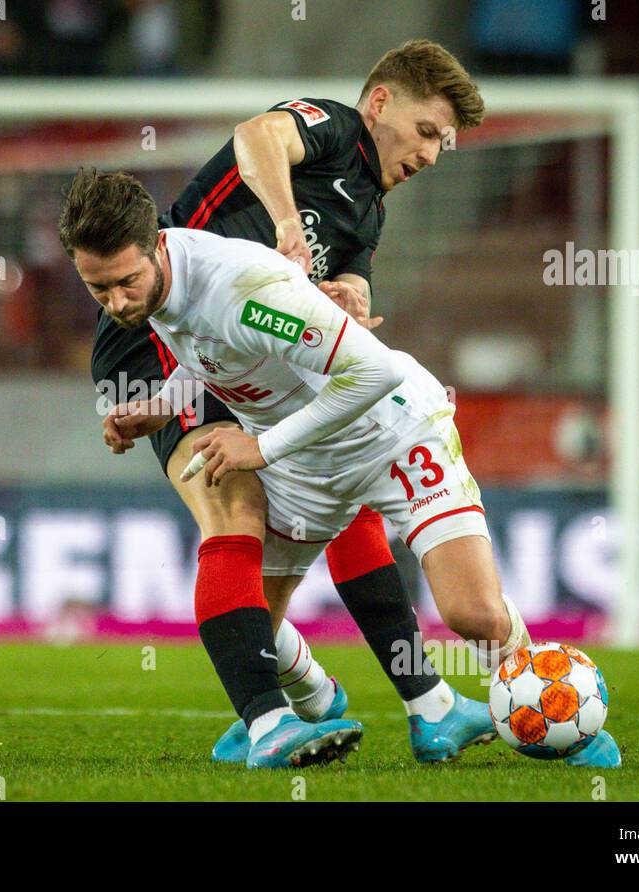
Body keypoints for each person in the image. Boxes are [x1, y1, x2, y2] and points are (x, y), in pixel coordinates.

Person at [63, 168, 622, 770]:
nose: (117, 303)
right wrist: (160, 408)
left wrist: (264, 448)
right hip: (311, 457)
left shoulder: (239, 288)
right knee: (250, 626)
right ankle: (387, 715)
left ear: (158, 245)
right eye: (99, 291)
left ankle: (565, 719)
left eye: (125, 283)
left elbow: (372, 371)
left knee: (473, 615)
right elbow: (215, 354)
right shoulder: (162, 288)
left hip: (392, 435)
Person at [88, 39, 496, 764]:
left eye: (445, 143)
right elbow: (256, 136)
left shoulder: (366, 213)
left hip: (233, 348)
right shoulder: (335, 129)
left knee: (343, 490)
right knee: (235, 507)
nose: (433, 154)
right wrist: (282, 221)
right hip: (154, 328)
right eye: (428, 132)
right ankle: (286, 709)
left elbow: (349, 306)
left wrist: (348, 296)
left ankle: (420, 703)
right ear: (381, 105)